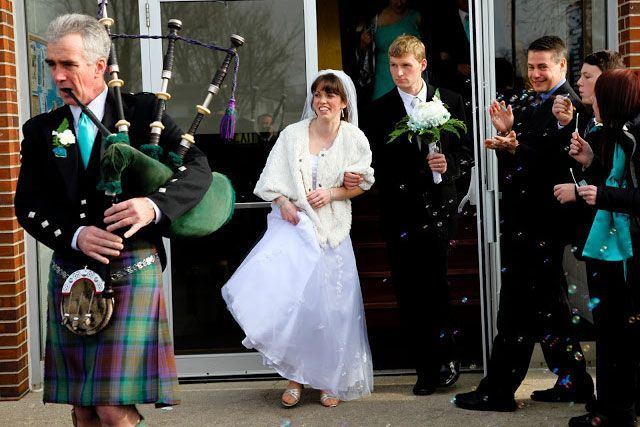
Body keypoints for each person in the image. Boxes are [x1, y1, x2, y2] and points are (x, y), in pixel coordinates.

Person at [14, 14, 212, 426]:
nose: (58, 76)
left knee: (111, 406)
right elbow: (28, 204)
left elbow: (197, 169)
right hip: (72, 272)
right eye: (52, 65)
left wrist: (152, 206)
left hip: (131, 266)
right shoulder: (42, 130)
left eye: (68, 64)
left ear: (99, 66)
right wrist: (74, 234)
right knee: (83, 407)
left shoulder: (144, 113)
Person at [454, 35, 594, 412]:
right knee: (550, 306)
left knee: (515, 307)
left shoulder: (572, 108)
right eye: (531, 66)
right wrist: (506, 136)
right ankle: (574, 381)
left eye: (543, 66)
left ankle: (497, 390)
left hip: (543, 225)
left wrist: (515, 145)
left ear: (562, 66)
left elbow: (560, 166)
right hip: (524, 222)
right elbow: (521, 170)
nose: (535, 73)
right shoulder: (533, 104)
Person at [221, 70, 375, 407]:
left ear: (344, 103)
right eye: (318, 94)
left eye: (330, 95)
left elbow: (363, 183)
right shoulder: (292, 135)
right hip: (296, 233)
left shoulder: (355, 139)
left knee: (334, 310)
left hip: (333, 235)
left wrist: (334, 193)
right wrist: (284, 203)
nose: (322, 101)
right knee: (297, 307)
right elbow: (269, 180)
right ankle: (295, 378)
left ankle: (330, 380)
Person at [362, 34, 471, 396]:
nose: (398, 73)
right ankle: (425, 369)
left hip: (439, 211)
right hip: (400, 211)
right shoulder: (378, 110)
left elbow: (467, 156)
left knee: (437, 286)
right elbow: (375, 162)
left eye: (405, 66)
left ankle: (448, 358)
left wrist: (449, 165)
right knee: (408, 291)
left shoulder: (451, 101)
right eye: (392, 66)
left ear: (422, 64)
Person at [567, 69, 640, 427]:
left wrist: (604, 194)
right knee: (611, 334)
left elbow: (627, 193)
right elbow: (612, 180)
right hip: (608, 248)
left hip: (627, 254)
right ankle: (612, 407)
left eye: (598, 95)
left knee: (619, 336)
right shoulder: (613, 135)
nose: (590, 101)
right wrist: (590, 163)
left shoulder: (633, 137)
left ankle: (617, 413)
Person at [552, 50, 624, 252]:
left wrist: (577, 191)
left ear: (607, 80)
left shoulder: (621, 128)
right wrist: (565, 124)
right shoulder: (587, 119)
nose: (579, 83)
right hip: (588, 233)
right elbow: (571, 166)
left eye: (588, 76)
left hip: (612, 236)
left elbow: (615, 179)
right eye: (580, 75)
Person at [358, 0, 422, 101]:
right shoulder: (374, 20)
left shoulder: (417, 17)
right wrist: (363, 43)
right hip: (383, 75)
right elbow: (363, 53)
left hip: (411, 72)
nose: (399, 3)